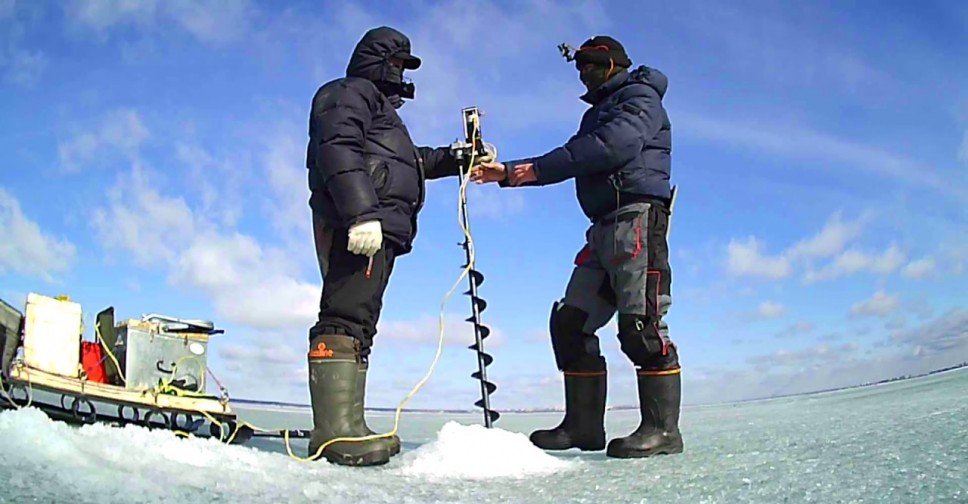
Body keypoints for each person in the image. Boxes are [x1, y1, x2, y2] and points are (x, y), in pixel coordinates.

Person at [470, 35, 683, 459]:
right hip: (602, 226)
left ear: (613, 63)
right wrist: (513, 173)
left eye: (592, 63)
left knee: (642, 324)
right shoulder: (599, 111)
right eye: (579, 65)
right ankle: (583, 427)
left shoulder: (639, 97)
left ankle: (663, 431)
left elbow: (608, 147)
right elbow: (589, 148)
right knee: (571, 322)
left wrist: (519, 172)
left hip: (636, 219)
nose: (584, 71)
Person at [305, 25, 468, 467]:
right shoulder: (347, 93)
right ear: (375, 61)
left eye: (404, 65)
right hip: (358, 225)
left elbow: (410, 160)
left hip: (381, 228)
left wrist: (457, 158)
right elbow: (338, 148)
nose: (399, 72)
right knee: (343, 315)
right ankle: (334, 433)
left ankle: (349, 425)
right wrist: (360, 213)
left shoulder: (383, 113)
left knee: (360, 320)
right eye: (394, 62)